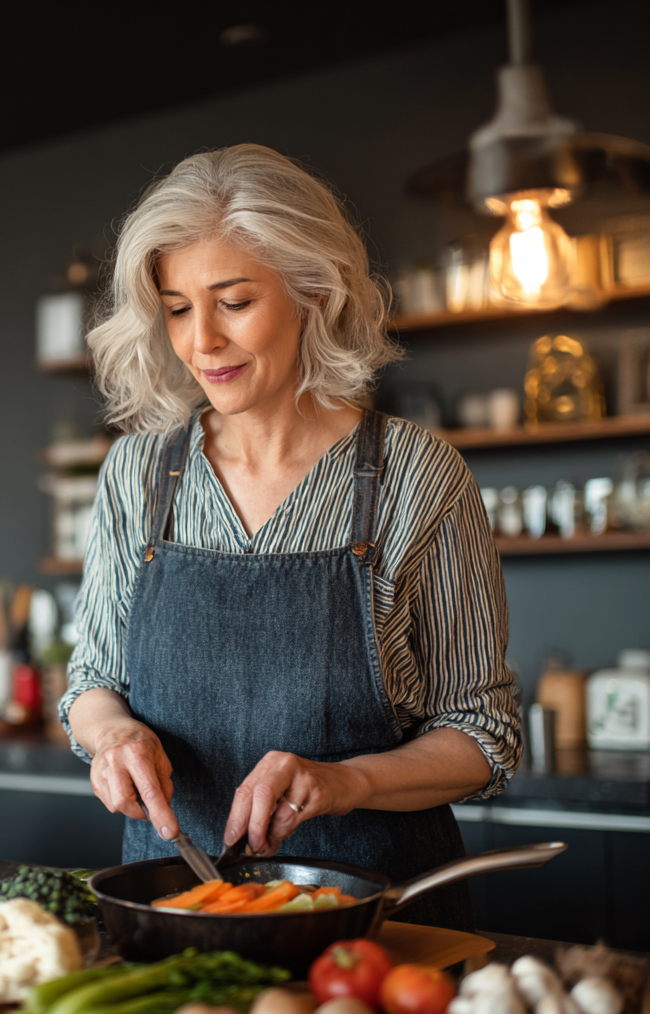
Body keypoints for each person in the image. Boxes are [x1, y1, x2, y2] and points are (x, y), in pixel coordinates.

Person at [60, 144, 521, 929]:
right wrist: (112, 736)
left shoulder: (417, 473)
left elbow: (483, 734)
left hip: (377, 920)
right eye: (177, 308)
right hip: (176, 908)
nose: (200, 341)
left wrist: (347, 783)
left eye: (233, 301)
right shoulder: (136, 474)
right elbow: (91, 681)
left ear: (313, 291)